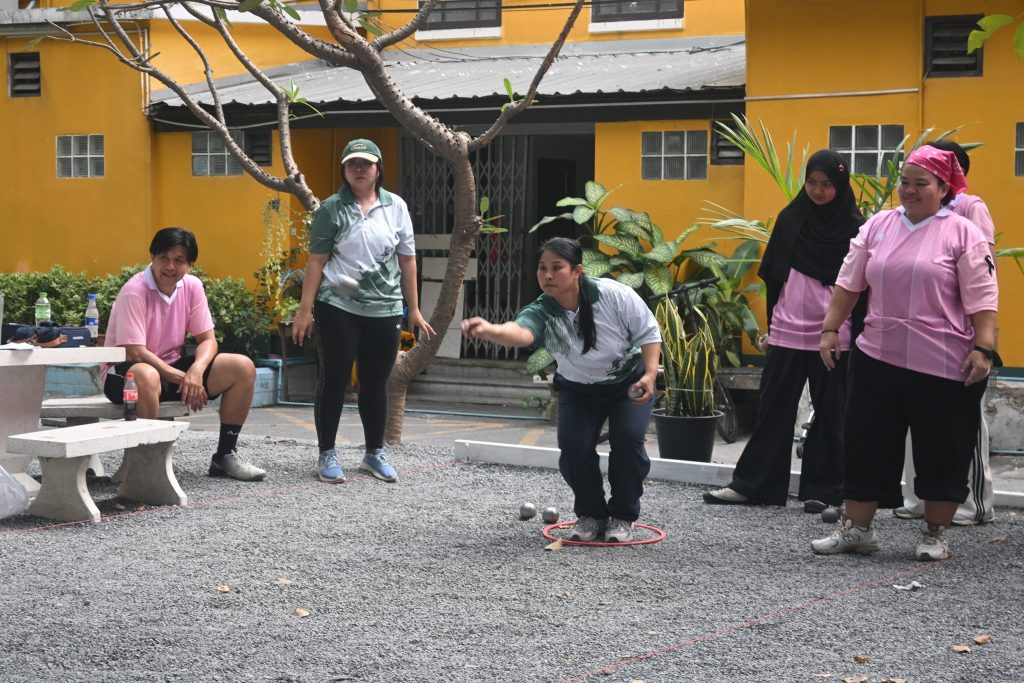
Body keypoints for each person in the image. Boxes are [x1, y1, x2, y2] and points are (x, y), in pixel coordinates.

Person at [812, 146, 998, 561]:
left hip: (943, 362)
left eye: (921, 184)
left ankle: (934, 533)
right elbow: (848, 283)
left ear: (943, 188)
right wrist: (830, 329)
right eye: (904, 182)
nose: (909, 190)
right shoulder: (879, 225)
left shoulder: (963, 233)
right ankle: (857, 529)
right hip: (878, 355)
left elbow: (983, 297)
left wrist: (983, 348)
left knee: (941, 449)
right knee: (865, 443)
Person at [461, 237, 661, 543]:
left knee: (628, 441)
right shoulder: (542, 310)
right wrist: (490, 330)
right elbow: (522, 333)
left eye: (557, 268)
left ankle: (622, 515)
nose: (548, 275)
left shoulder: (613, 295)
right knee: (573, 445)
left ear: (577, 271)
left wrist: (649, 374)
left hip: (628, 384)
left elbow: (648, 331)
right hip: (578, 388)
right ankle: (592, 515)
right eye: (542, 268)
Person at [703, 150, 864, 510]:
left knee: (832, 414)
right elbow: (775, 276)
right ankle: (755, 486)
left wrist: (851, 332)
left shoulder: (856, 228)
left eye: (827, 185)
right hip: (788, 330)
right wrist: (772, 325)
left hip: (834, 335)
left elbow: (861, 287)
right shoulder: (791, 219)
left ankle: (825, 492)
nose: (818, 191)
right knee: (773, 410)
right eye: (812, 183)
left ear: (841, 185)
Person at [292, 138, 434, 485]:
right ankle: (327, 453)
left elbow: (408, 260)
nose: (359, 169)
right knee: (334, 378)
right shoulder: (331, 208)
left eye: (366, 163)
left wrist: (414, 308)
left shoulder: (396, 206)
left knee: (375, 382)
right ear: (344, 169)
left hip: (385, 308)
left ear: (377, 168)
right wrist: (305, 310)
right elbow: (316, 261)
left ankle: (374, 452)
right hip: (337, 305)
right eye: (352, 164)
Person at [103, 227, 266, 481]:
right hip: (125, 376)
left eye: (179, 260)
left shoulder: (192, 286)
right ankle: (147, 461)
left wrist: (197, 371)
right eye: (164, 258)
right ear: (152, 257)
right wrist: (183, 378)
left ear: (190, 264)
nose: (170, 266)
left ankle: (225, 455)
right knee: (146, 374)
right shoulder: (135, 290)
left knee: (241, 366)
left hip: (167, 370)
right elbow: (135, 352)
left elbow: (207, 339)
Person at [894, 140, 997, 526]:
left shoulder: (969, 207)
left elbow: (984, 272)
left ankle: (974, 504)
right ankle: (919, 499)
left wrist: (981, 338)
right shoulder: (907, 214)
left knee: (963, 423)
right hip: (914, 335)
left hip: (958, 333)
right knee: (915, 421)